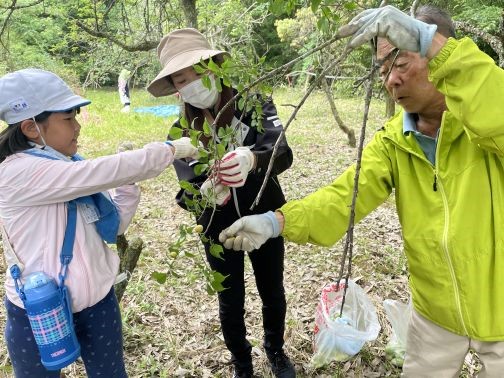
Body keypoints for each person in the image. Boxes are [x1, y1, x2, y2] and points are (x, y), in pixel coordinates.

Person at [219, 5, 504, 377]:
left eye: (401, 64)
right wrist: (276, 222)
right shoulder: (394, 143)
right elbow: (344, 197)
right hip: (436, 315)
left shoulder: (485, 126)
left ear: (441, 53)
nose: (391, 81)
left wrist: (427, 39)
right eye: (384, 71)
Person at [0, 68, 199, 377]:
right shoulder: (16, 173)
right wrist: (168, 150)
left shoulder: (64, 165)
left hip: (96, 303)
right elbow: (95, 174)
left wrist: (128, 183)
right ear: (29, 127)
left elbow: (113, 225)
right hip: (38, 308)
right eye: (68, 119)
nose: (77, 127)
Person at [147, 28, 295, 378]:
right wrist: (204, 193)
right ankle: (241, 361)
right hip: (218, 227)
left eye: (195, 73)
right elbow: (187, 185)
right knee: (230, 299)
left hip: (265, 215)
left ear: (214, 66)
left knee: (272, 289)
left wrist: (252, 159)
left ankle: (275, 349)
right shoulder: (181, 131)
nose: (191, 85)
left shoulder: (254, 105)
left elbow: (283, 152)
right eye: (180, 81)